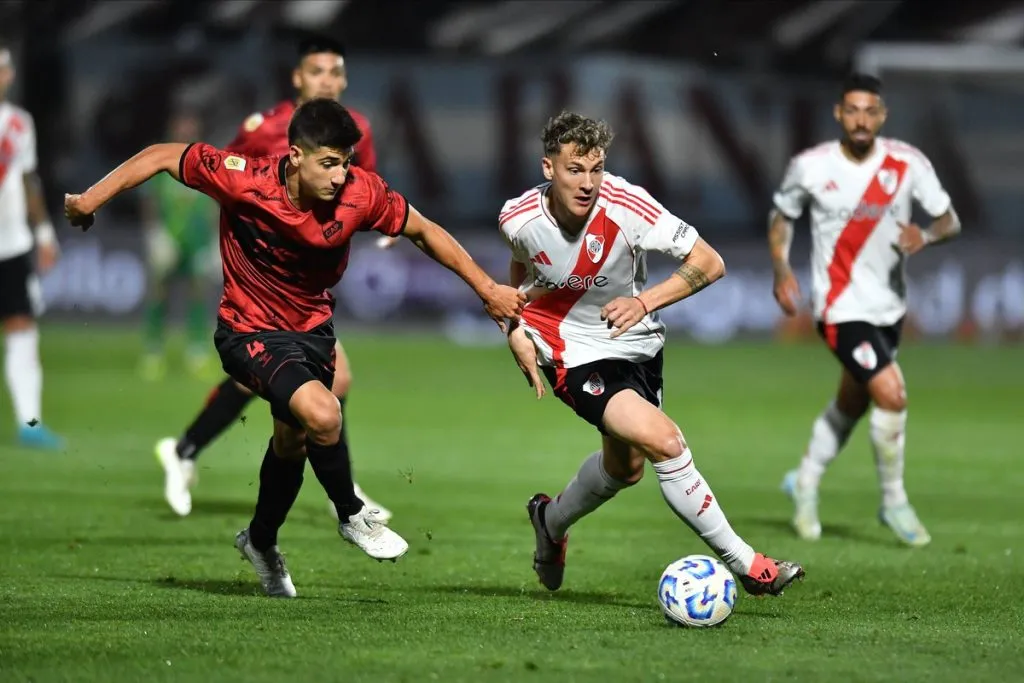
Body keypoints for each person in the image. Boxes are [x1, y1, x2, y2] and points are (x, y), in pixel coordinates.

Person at [65, 98, 525, 598]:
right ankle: (352, 515)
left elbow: (424, 230)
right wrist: (91, 199)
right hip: (248, 331)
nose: (340, 175)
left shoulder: (359, 193)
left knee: (291, 443)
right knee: (324, 414)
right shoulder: (243, 179)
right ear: (294, 156)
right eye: (328, 162)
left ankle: (260, 542)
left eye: (346, 162)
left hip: (312, 334)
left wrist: (488, 289)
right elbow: (159, 155)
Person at [502, 111, 804, 597]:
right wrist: (516, 326)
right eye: (574, 170)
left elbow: (711, 262)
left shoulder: (628, 205)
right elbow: (521, 265)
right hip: (569, 352)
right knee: (666, 442)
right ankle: (747, 564)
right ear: (548, 169)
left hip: (636, 346)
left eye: (596, 169)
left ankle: (549, 520)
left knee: (626, 469)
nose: (587, 183)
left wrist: (644, 302)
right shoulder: (518, 218)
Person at [153, 35, 390, 521]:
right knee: (322, 378)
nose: (327, 80)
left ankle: (186, 449)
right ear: (298, 77)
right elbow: (223, 177)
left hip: (309, 277)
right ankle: (343, 493)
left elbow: (365, 188)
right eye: (317, 71)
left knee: (279, 381)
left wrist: (383, 227)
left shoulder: (355, 129)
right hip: (261, 276)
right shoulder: (266, 129)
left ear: (343, 79)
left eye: (335, 72)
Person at [770, 73, 960, 547]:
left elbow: (949, 218)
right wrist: (780, 266)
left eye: (869, 111)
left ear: (882, 115)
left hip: (888, 307)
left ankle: (805, 483)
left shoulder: (906, 162)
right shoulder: (810, 166)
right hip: (839, 307)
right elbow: (781, 217)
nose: (860, 119)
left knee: (852, 403)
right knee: (891, 394)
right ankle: (893, 501)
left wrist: (928, 235)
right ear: (838, 113)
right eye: (851, 110)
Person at [0, 44, 64, 450]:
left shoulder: (19, 124)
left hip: (11, 244)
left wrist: (43, 234)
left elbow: (28, 181)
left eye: (4, 69)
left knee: (22, 328)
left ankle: (30, 422)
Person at [138, 109, 219, 380]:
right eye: (181, 127)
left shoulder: (208, 163)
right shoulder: (161, 161)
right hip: (169, 238)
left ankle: (196, 351)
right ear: (173, 129)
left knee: (198, 294)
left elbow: (216, 203)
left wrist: (216, 240)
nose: (185, 132)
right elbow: (148, 200)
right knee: (159, 293)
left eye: (190, 127)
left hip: (197, 241)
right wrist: (154, 234)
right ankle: (153, 351)